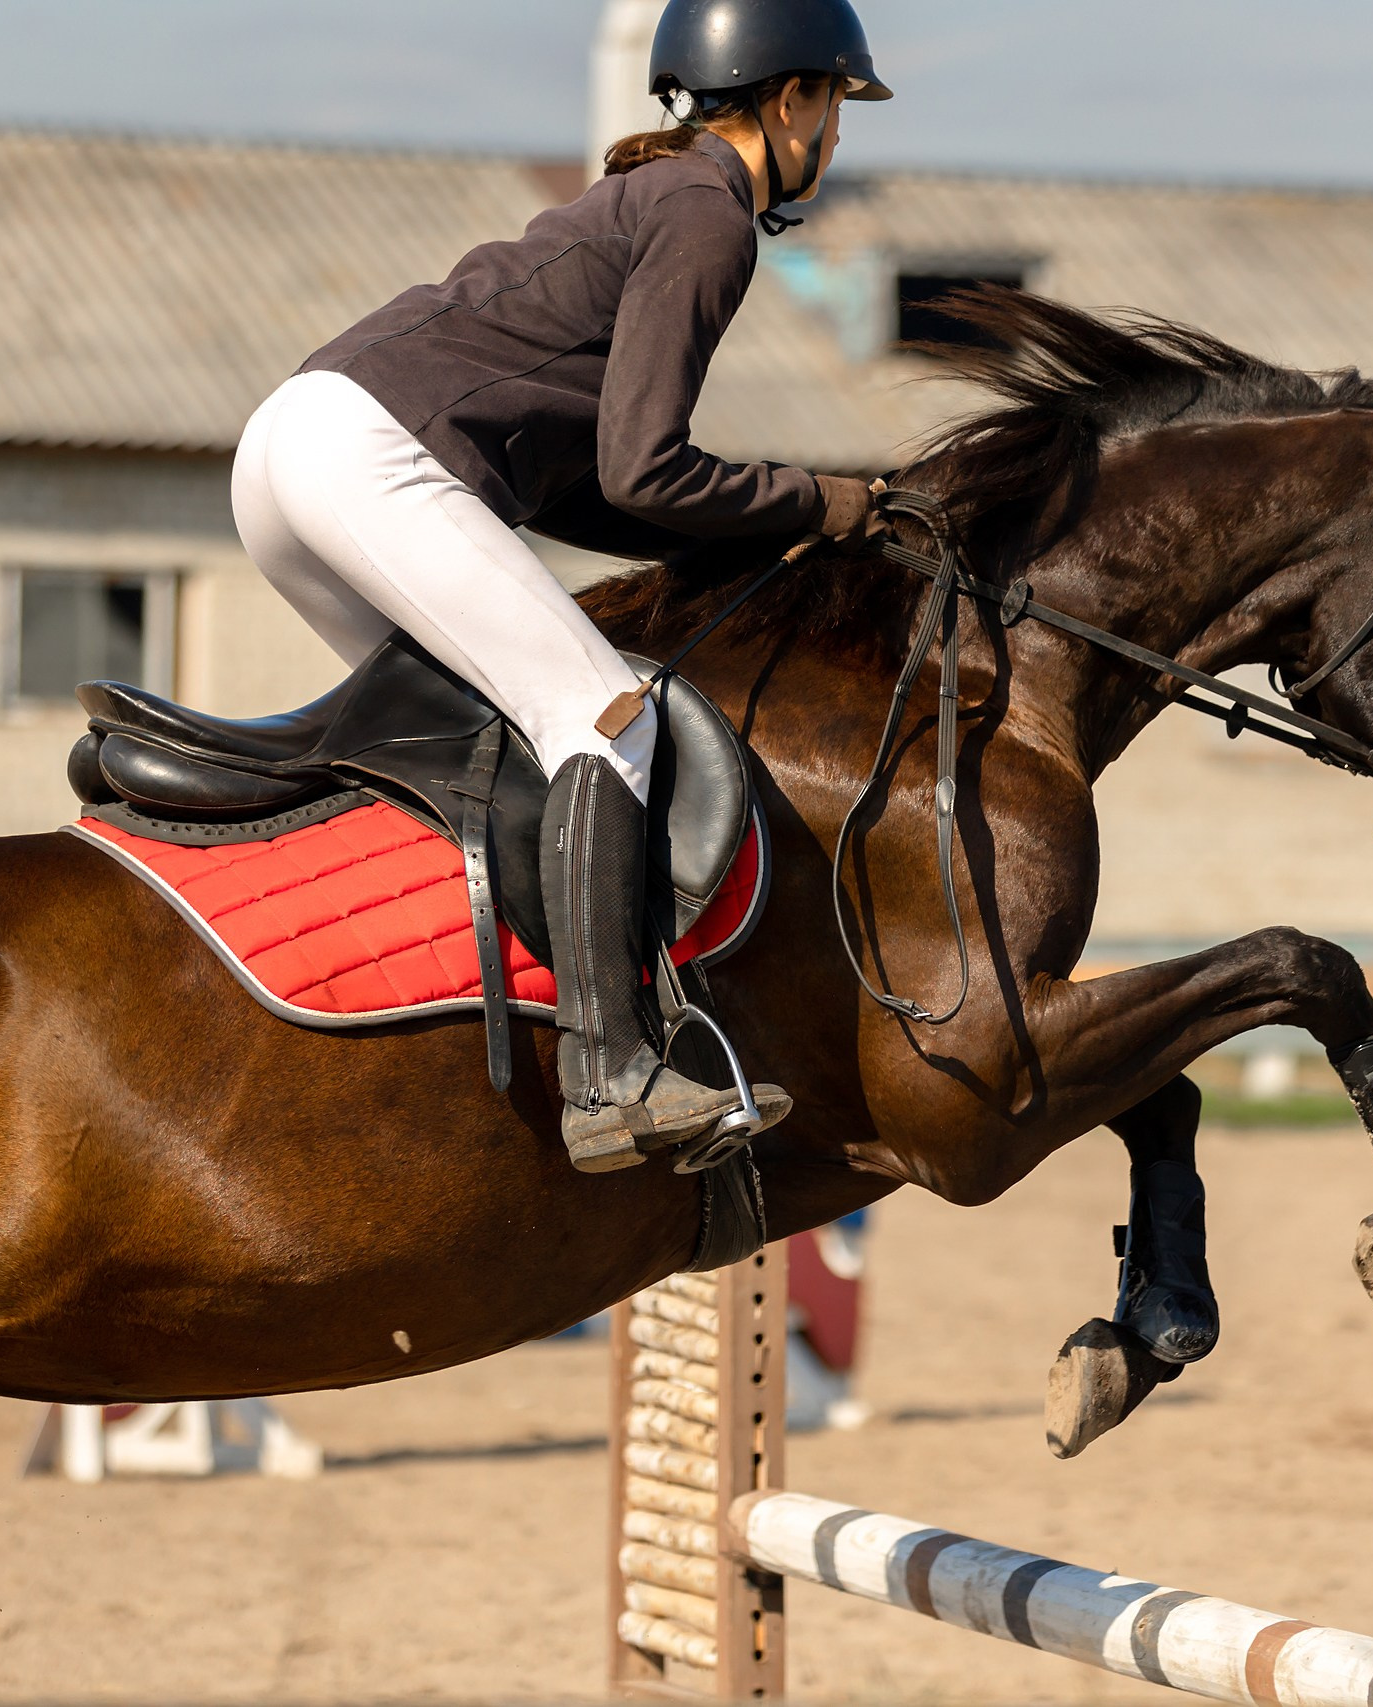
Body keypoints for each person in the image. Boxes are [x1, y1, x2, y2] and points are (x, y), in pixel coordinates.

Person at [230, 0, 892, 1173]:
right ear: (791, 100)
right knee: (602, 720)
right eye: (836, 107)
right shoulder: (708, 211)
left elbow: (603, 487)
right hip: (373, 458)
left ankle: (426, 1023)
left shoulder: (653, 195)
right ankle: (611, 1072)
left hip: (288, 449)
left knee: (483, 748)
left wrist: (727, 541)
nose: (836, 140)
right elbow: (650, 465)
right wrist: (821, 503)